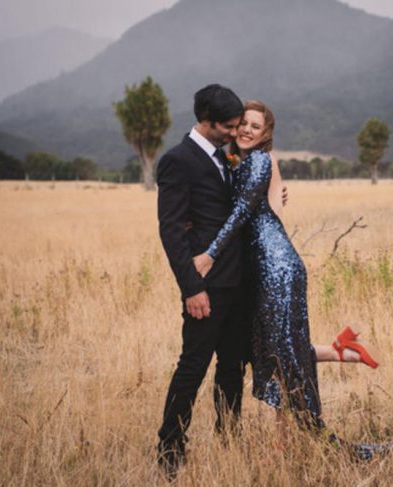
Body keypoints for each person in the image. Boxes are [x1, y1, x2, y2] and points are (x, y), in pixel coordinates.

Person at [193, 100, 384, 458]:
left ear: (266, 134)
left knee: (280, 355)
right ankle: (340, 350)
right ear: (235, 127)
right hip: (258, 270)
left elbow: (239, 216)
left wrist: (208, 255)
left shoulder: (260, 161)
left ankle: (286, 447)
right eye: (243, 124)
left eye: (256, 126)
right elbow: (269, 210)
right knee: (268, 350)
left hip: (276, 269)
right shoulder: (238, 163)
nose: (248, 130)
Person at [155, 84, 249, 475]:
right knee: (193, 366)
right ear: (206, 122)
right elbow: (171, 230)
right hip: (206, 287)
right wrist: (192, 287)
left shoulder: (227, 155)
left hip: (238, 282)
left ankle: (229, 440)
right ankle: (170, 452)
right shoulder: (178, 160)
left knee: (232, 367)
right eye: (228, 126)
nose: (235, 132)